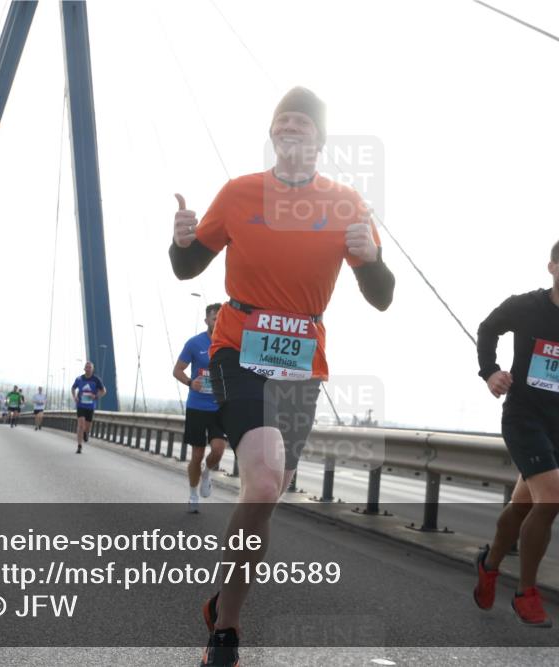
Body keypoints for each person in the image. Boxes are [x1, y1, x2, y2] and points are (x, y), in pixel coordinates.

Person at [169, 86, 395, 666]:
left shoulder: (347, 202)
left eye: (303, 123)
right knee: (265, 481)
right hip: (236, 350)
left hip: (301, 364)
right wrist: (181, 241)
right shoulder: (240, 191)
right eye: (283, 121)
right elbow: (189, 267)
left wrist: (369, 258)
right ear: (273, 134)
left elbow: (382, 297)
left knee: (265, 495)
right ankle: (228, 628)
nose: (291, 128)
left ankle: (223, 596)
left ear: (319, 139)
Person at [473, 232, 559, 628]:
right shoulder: (526, 306)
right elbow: (487, 329)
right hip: (522, 418)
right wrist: (490, 373)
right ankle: (527, 592)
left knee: (522, 506)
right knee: (550, 499)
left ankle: (489, 564)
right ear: (553, 266)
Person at [173, 303, 227, 513]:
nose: (218, 322)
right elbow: (177, 370)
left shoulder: (230, 344)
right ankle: (193, 494)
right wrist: (190, 382)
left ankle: (207, 473)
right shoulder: (194, 343)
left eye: (222, 318)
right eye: (215, 318)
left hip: (219, 408)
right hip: (197, 406)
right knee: (196, 455)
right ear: (207, 321)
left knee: (219, 450)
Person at [71, 361, 106, 453]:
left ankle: (86, 433)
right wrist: (75, 397)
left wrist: (96, 396)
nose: (88, 369)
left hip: (90, 406)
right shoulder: (79, 379)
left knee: (87, 427)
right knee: (80, 425)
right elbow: (73, 388)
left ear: (92, 369)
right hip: (80, 405)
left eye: (90, 367)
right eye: (86, 367)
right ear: (84, 369)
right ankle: (79, 446)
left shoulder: (96, 380)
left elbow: (103, 390)